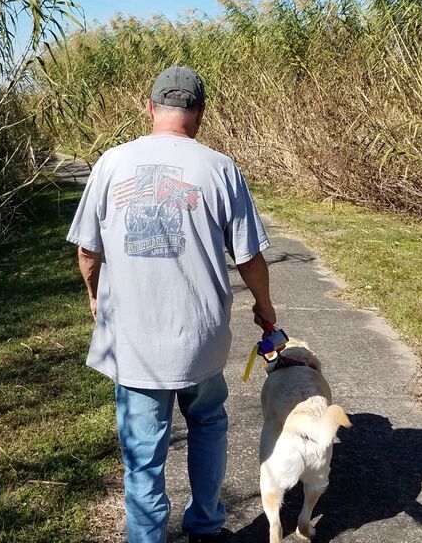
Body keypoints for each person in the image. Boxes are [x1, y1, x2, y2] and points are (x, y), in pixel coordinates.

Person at [67, 65, 276, 543]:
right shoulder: (220, 167)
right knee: (207, 425)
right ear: (200, 112)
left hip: (134, 341)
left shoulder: (111, 163)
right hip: (200, 338)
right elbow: (249, 257)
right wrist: (265, 308)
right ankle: (205, 526)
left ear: (150, 108)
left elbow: (86, 250)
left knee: (143, 455)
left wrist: (95, 296)